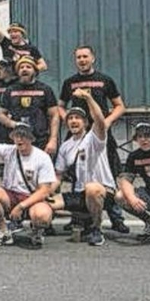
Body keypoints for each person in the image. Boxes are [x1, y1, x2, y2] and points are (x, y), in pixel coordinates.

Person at [59, 45, 128, 233]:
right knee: (76, 173)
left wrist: (106, 122)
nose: (82, 60)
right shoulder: (69, 82)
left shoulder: (105, 80)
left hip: (101, 134)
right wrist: (67, 119)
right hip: (78, 134)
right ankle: (78, 218)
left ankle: (116, 218)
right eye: (79, 57)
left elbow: (120, 106)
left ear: (92, 58)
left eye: (85, 56)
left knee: (109, 172)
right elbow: (60, 106)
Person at [52, 91, 116, 246]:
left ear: (86, 123)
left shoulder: (94, 138)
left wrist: (88, 98)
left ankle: (96, 229)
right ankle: (42, 229)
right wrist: (45, 193)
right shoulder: (65, 147)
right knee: (45, 204)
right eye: (70, 118)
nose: (73, 121)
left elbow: (100, 120)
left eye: (78, 118)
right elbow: (58, 175)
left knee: (92, 189)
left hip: (103, 191)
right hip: (79, 193)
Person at [0, 56, 60, 155]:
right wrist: (13, 124)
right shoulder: (10, 90)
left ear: (35, 71)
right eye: (21, 67)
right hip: (17, 141)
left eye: (28, 67)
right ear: (17, 72)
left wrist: (53, 140)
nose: (24, 69)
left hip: (41, 141)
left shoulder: (45, 90)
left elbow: (54, 115)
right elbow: (1, 115)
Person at [115, 122, 150, 238]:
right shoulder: (134, 156)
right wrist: (132, 198)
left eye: (147, 136)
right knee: (120, 196)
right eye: (139, 136)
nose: (143, 139)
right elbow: (125, 180)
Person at [0, 6, 48, 71]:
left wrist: (29, 70)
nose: (12, 34)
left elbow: (43, 65)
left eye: (15, 31)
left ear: (22, 34)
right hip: (9, 76)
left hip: (23, 78)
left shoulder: (31, 48)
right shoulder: (6, 43)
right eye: (10, 32)